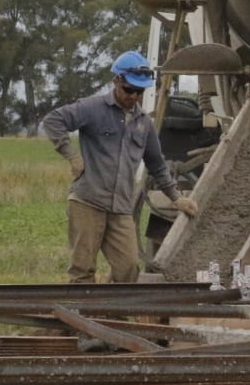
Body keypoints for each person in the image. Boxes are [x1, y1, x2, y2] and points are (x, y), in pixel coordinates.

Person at [41, 51, 199, 283]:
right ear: (116, 81)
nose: (133, 96)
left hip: (121, 209)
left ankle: (114, 305)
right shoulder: (92, 108)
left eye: (139, 92)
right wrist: (72, 155)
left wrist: (176, 198)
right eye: (129, 89)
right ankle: (83, 306)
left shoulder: (144, 124)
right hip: (88, 202)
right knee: (82, 270)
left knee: (128, 269)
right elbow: (53, 121)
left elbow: (157, 165)